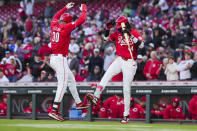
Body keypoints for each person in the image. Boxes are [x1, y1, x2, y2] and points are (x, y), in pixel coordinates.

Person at [86, 16, 144, 123]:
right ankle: (96, 97)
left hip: (130, 62)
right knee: (106, 76)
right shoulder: (117, 33)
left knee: (126, 89)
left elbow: (141, 45)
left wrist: (130, 35)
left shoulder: (134, 32)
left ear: (124, 25)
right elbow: (105, 39)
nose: (117, 27)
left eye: (119, 25)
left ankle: (126, 115)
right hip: (119, 59)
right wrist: (107, 29)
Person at [48, 2, 89, 122]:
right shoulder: (66, 27)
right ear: (68, 21)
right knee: (63, 83)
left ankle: (79, 103)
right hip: (60, 59)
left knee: (71, 80)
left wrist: (65, 8)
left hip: (56, 58)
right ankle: (54, 109)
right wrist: (84, 10)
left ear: (62, 20)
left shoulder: (55, 24)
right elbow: (81, 20)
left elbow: (55, 16)